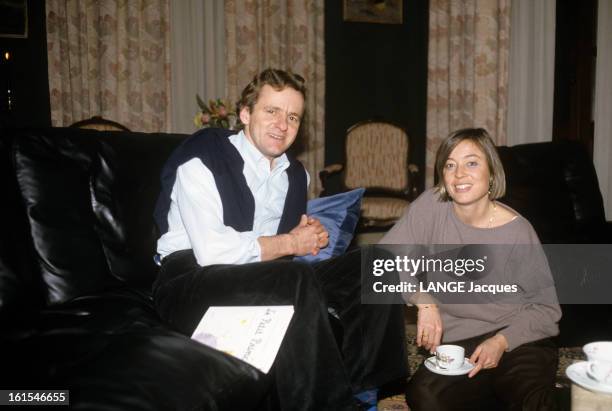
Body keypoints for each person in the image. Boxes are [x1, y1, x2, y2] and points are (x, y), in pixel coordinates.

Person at [152, 68, 407, 410]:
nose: (282, 125)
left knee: (376, 263)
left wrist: (308, 234)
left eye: (292, 117)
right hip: (189, 279)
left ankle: (364, 391)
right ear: (245, 113)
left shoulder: (295, 175)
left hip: (264, 275)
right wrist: (291, 243)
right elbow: (213, 251)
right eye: (271, 111)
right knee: (294, 276)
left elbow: (283, 243)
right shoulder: (202, 159)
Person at [381, 128, 561, 411]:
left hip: (517, 338)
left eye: (472, 162)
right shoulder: (431, 207)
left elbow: (547, 309)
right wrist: (423, 301)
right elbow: (383, 261)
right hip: (459, 343)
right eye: (450, 165)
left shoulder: (517, 231)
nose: (459, 174)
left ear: (491, 172)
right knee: (424, 397)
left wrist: (501, 342)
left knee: (531, 400)